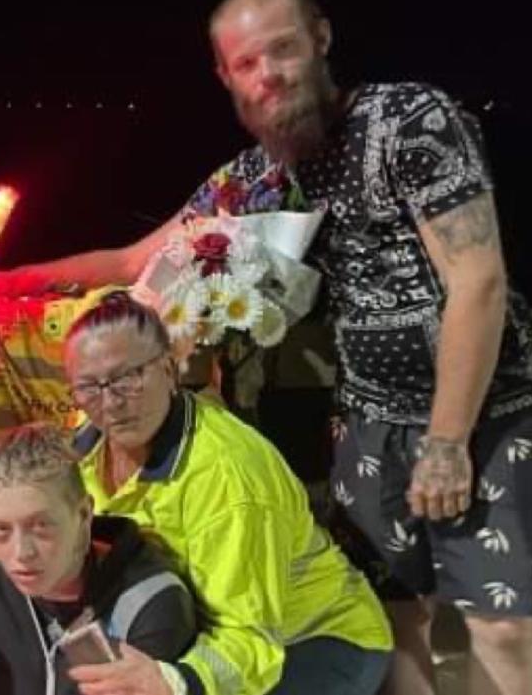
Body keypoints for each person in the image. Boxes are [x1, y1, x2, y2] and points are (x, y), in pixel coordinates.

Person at [0, 0, 532, 692]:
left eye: (283, 49)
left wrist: (449, 440)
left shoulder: (409, 119)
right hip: (370, 425)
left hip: (483, 410)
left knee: (502, 622)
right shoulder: (264, 175)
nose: (268, 74)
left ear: (321, 39)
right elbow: (131, 262)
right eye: (247, 63)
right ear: (226, 76)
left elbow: (479, 280)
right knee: (404, 608)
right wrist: (1, 282)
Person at [59, 290, 391, 694]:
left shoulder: (227, 474)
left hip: (308, 638)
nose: (110, 403)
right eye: (89, 387)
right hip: (191, 624)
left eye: (128, 378)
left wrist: (171, 682)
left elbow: (249, 638)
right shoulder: (79, 453)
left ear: (169, 368)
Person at [0, 422, 196, 695]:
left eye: (41, 525)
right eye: (1, 530)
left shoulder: (151, 604)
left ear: (84, 515)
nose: (22, 553)